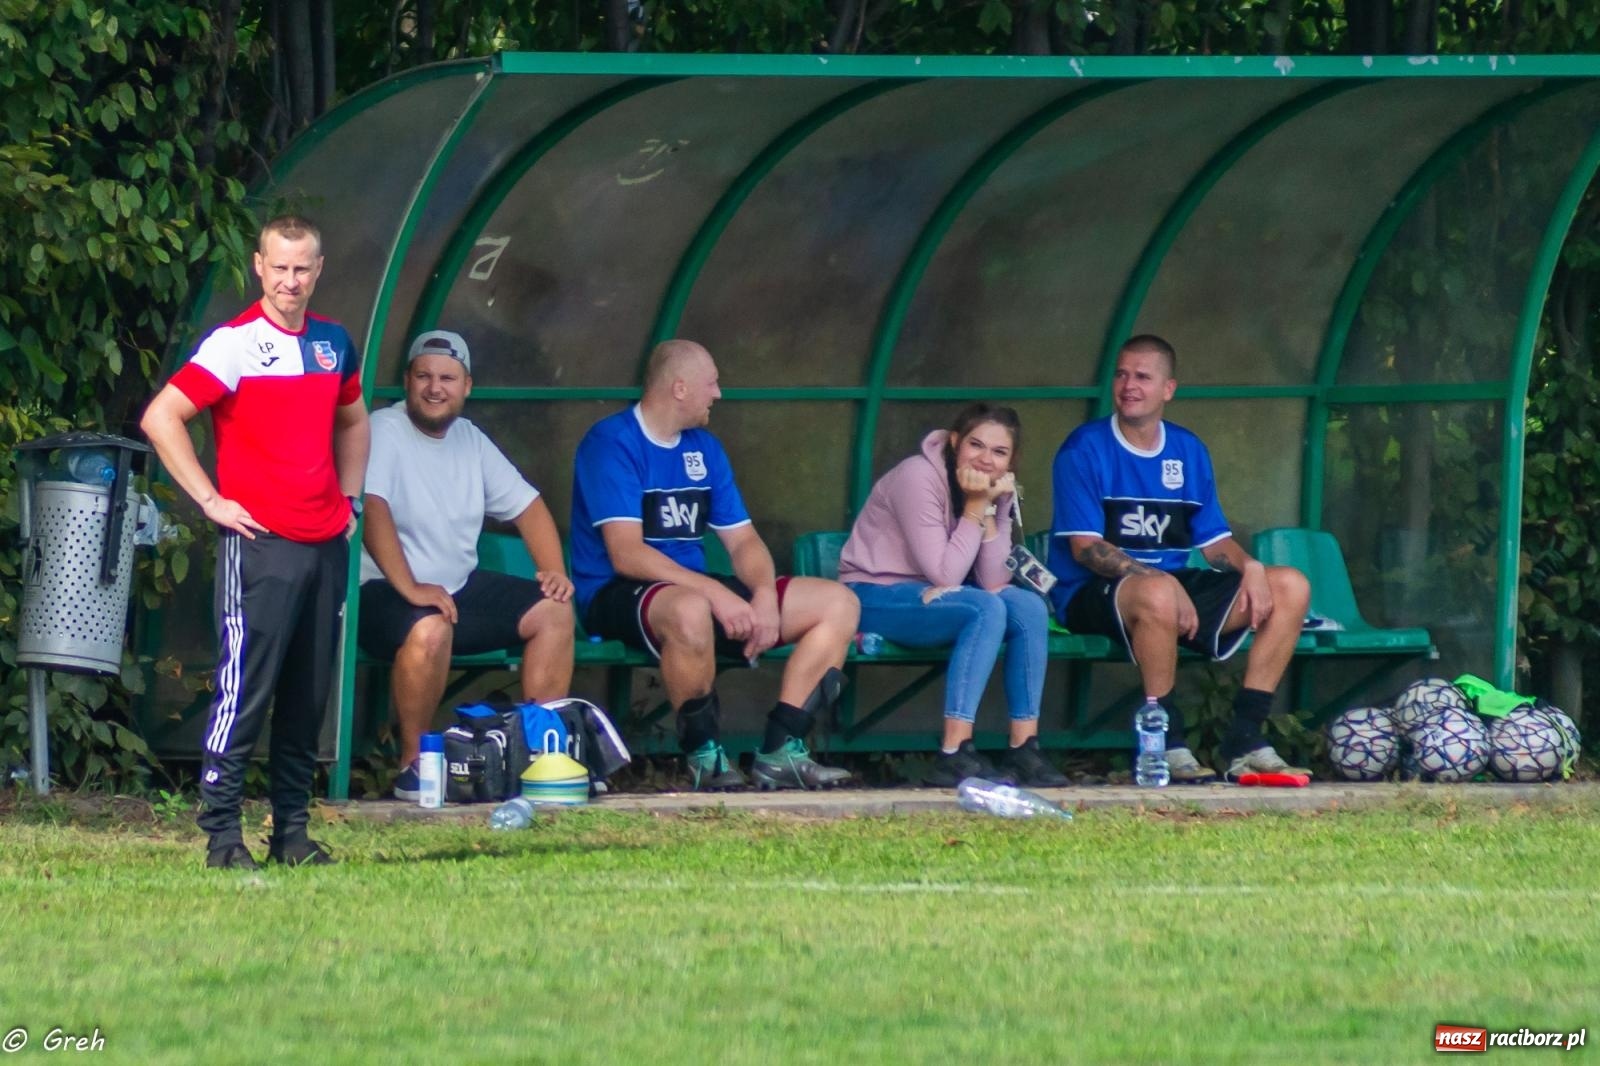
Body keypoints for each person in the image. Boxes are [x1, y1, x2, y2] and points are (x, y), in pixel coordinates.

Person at [141, 215, 369, 868]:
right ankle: (221, 836)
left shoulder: (333, 344)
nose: (291, 281)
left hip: (326, 541)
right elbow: (162, 417)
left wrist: (349, 499)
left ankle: (292, 835)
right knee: (246, 690)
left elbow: (354, 420)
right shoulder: (233, 343)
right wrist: (211, 500)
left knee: (308, 694)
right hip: (261, 542)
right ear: (258, 267)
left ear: (318, 270)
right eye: (280, 267)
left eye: (303, 268)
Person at [570, 340, 860, 791]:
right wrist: (715, 594)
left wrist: (763, 595)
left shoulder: (704, 448)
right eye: (712, 383)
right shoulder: (611, 442)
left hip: (694, 590)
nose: (719, 394)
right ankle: (704, 758)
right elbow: (626, 553)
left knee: (838, 603)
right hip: (616, 589)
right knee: (691, 608)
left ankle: (782, 751)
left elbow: (743, 540)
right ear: (680, 388)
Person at [1047, 334, 1312, 783]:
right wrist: (1162, 583)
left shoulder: (1188, 450)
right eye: (1122, 374)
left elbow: (1213, 542)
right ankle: (1164, 741)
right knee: (1156, 592)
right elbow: (1086, 549)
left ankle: (1245, 738)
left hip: (1170, 586)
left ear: (1168, 389)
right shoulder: (1084, 448)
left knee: (1290, 584)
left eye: (1143, 377)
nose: (1129, 385)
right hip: (1089, 594)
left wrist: (1250, 567)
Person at [357, 329, 575, 800]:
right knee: (431, 626)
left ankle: (537, 754)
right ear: (407, 381)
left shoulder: (469, 439)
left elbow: (529, 506)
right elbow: (373, 511)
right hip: (380, 592)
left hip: (456, 588)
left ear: (467, 386)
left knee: (555, 612)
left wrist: (554, 571)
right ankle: (416, 764)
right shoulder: (384, 429)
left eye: (447, 378)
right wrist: (412, 587)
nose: (435, 388)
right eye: (424, 376)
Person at [839, 404, 1068, 788]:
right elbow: (944, 572)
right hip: (875, 595)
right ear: (954, 442)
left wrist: (997, 508)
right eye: (975, 445)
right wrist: (976, 506)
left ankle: (1024, 745)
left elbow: (994, 579)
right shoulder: (918, 476)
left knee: (1026, 605)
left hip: (939, 596)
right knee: (984, 608)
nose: (985, 459)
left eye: (999, 452)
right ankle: (954, 751)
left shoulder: (992, 490)